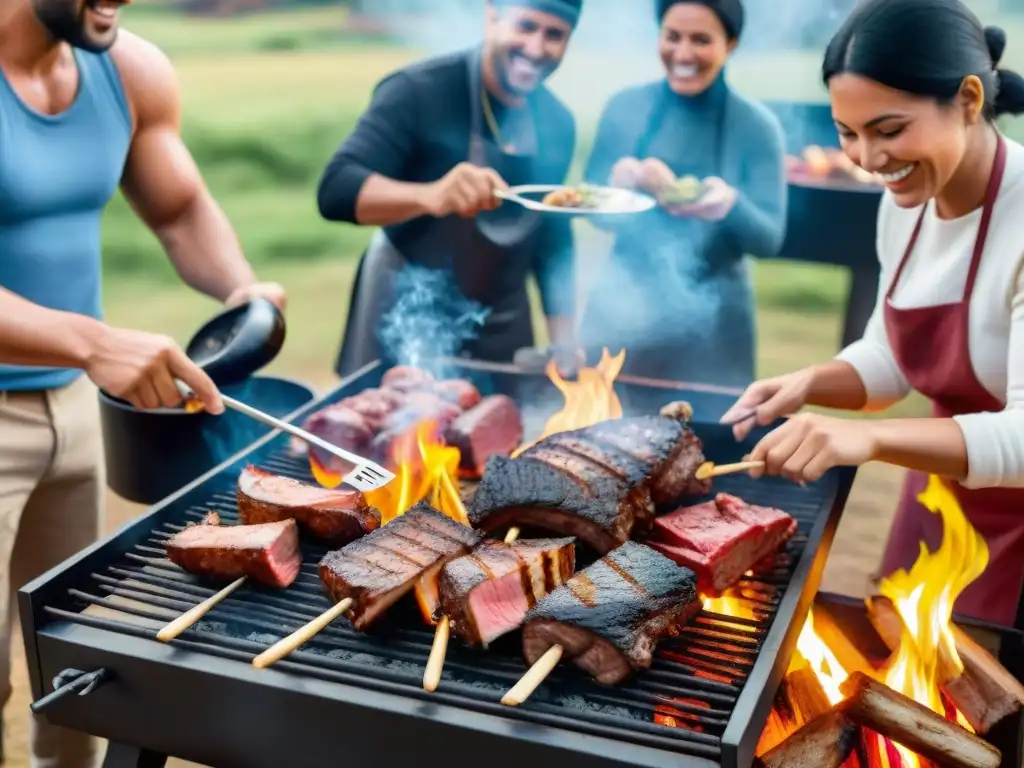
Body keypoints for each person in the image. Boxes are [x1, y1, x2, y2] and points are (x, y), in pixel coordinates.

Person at [0, 0, 286, 762]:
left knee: (74, 668)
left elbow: (181, 209)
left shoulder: (129, 69)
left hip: (75, 408)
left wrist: (241, 293)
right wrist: (92, 340)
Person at [720, 0, 1024, 628]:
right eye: (846, 131)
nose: (867, 157)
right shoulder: (906, 200)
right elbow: (889, 357)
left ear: (968, 99)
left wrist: (869, 439)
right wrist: (811, 382)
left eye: (889, 130)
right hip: (940, 492)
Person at [317, 0, 580, 378]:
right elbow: (336, 190)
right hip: (407, 313)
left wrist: (563, 336)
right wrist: (433, 196)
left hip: (501, 320)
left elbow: (553, 233)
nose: (537, 48)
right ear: (493, 16)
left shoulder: (558, 122)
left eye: (554, 35)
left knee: (504, 431)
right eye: (526, 26)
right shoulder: (418, 91)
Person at [577, 0, 786, 387]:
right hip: (623, 309)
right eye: (672, 36)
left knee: (708, 446)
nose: (683, 53)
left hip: (716, 327)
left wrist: (730, 205)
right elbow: (594, 213)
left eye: (701, 40)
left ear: (731, 44)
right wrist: (614, 189)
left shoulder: (755, 126)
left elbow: (770, 239)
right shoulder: (625, 107)